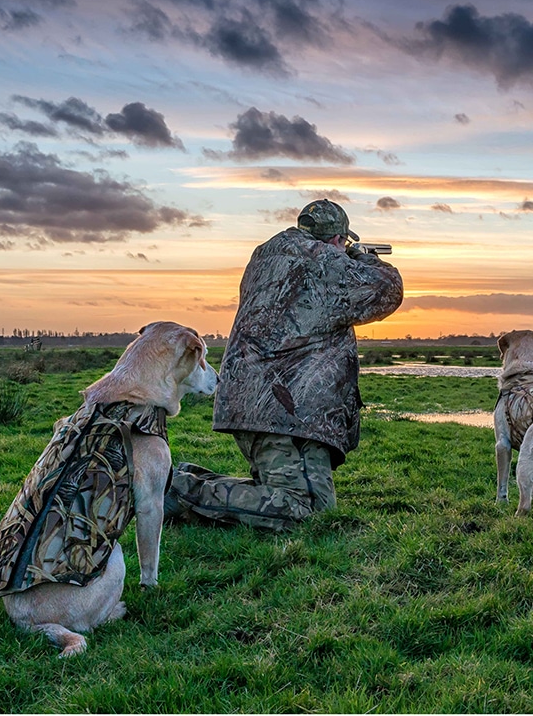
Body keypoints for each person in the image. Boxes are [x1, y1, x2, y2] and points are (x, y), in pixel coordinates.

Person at [163, 199, 403, 530]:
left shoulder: (267, 254)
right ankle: (178, 491)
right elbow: (386, 290)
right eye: (343, 242)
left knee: (283, 495)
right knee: (306, 511)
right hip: (286, 415)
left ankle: (183, 483)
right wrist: (362, 256)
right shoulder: (321, 261)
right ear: (336, 240)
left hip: (254, 405)